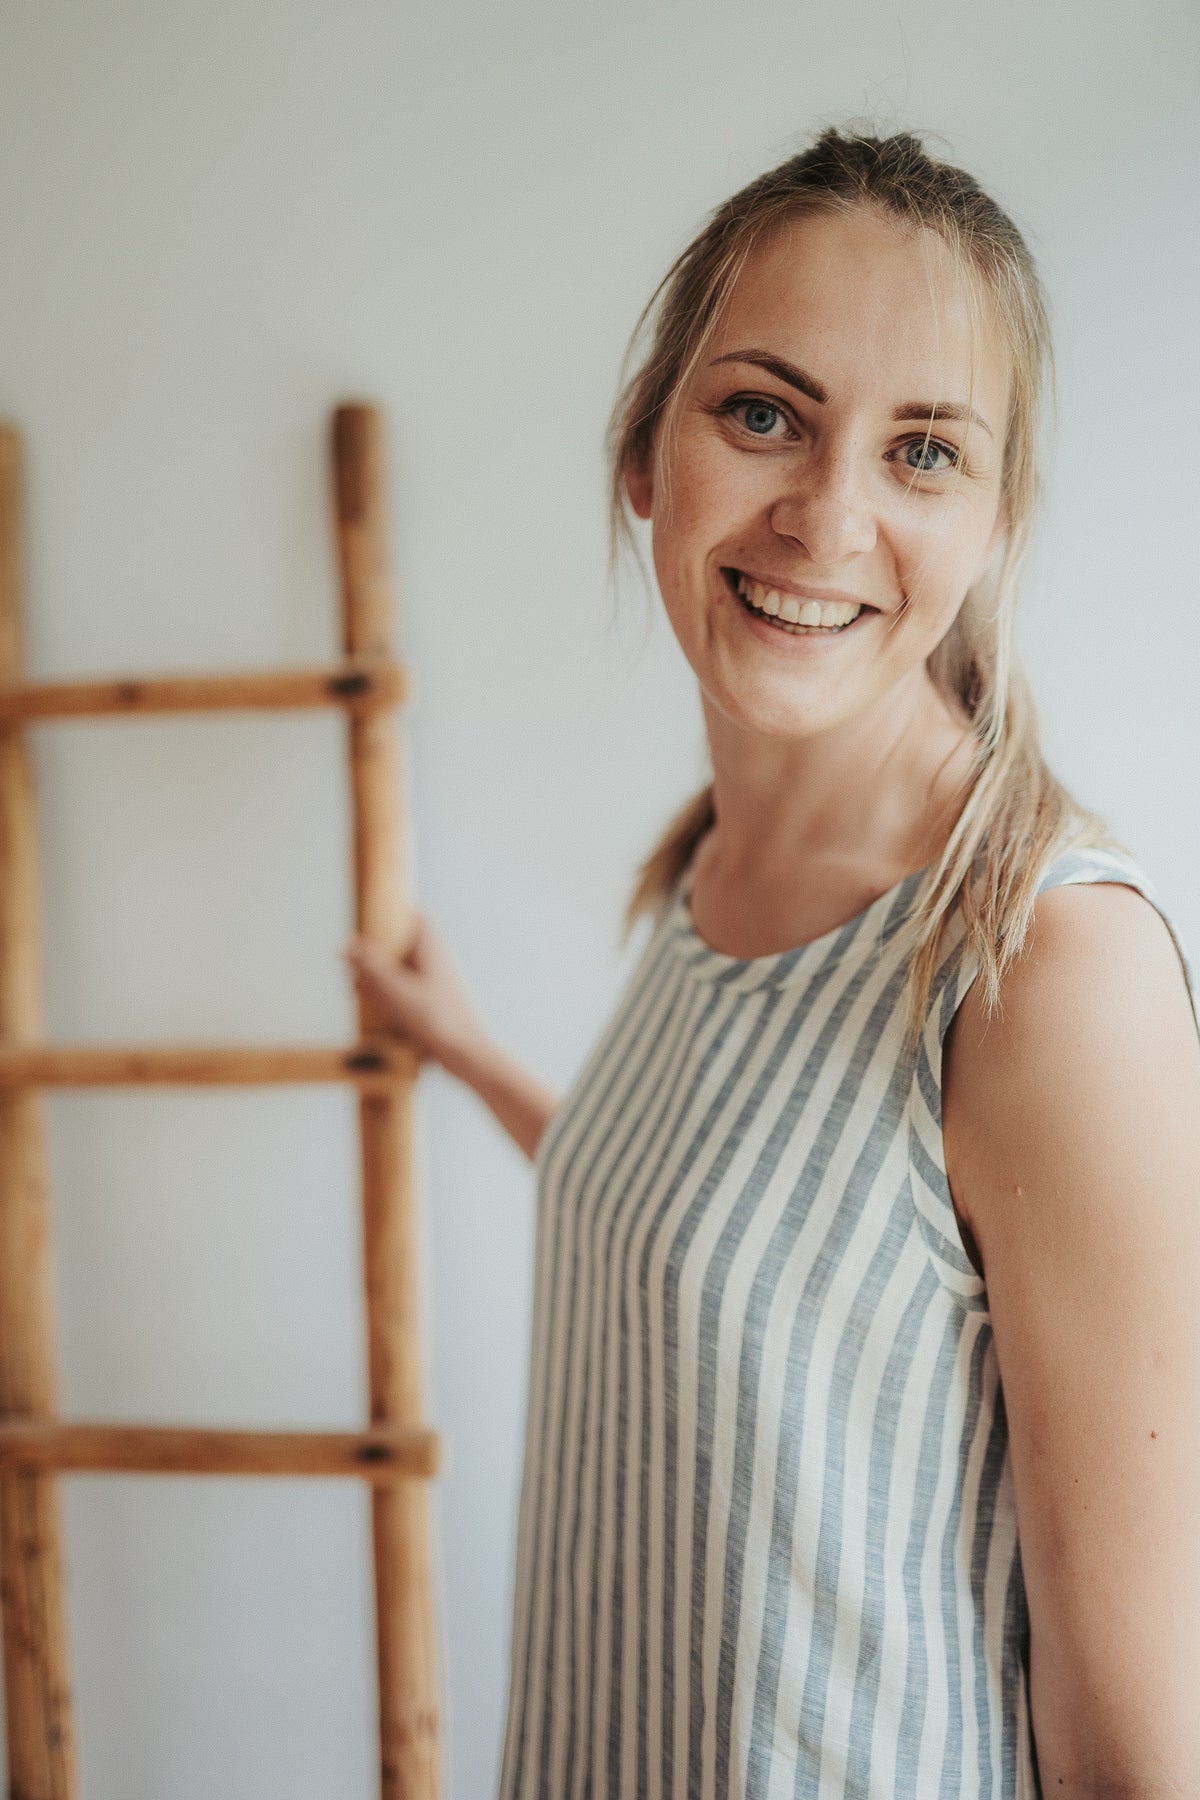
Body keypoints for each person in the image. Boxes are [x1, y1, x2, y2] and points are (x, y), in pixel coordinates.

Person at [345, 128, 1200, 1799]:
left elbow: (1138, 1753)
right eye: (763, 415)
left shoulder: (1048, 973)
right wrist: (469, 1050)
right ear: (642, 453)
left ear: (993, 524)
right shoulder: (706, 873)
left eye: (924, 451)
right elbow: (750, 1245)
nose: (828, 517)